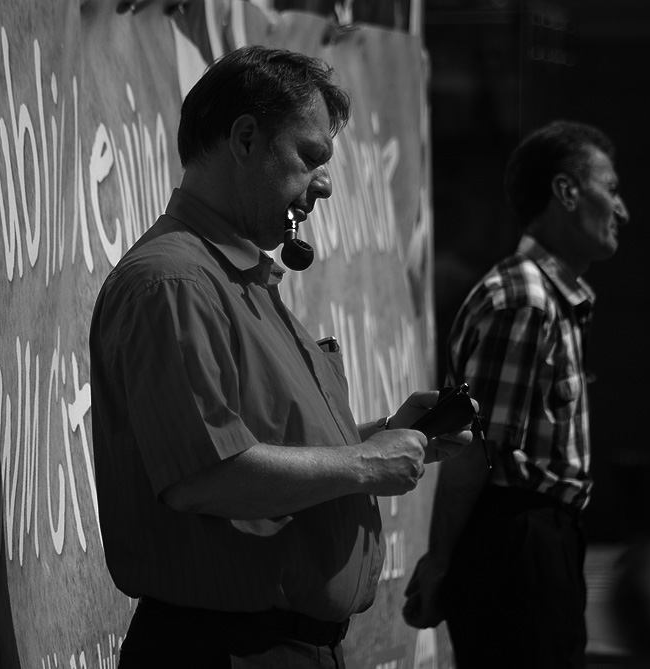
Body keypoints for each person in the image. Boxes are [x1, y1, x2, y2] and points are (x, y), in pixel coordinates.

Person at [89, 45, 473, 668]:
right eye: (311, 156)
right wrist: (363, 465)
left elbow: (259, 445)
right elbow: (204, 477)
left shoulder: (232, 277)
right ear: (245, 138)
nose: (324, 184)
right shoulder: (177, 282)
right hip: (228, 650)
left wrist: (386, 436)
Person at [403, 120, 630, 668]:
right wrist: (439, 561)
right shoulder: (526, 298)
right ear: (567, 192)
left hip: (540, 541)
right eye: (612, 189)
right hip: (517, 546)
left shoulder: (549, 296)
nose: (622, 211)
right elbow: (477, 447)